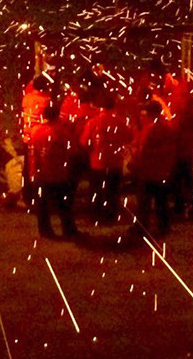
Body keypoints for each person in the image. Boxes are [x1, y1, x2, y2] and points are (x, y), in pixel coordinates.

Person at [80, 92, 132, 223]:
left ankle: (96, 216)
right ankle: (112, 216)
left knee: (97, 190)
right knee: (113, 191)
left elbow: (84, 142)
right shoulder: (119, 121)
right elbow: (129, 137)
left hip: (98, 163)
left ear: (99, 107)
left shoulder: (93, 122)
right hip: (115, 162)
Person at [29, 103, 78, 239]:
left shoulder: (35, 130)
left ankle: (45, 231)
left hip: (40, 174)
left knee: (42, 205)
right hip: (57, 173)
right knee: (64, 205)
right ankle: (69, 230)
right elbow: (72, 150)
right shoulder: (61, 131)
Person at [130, 100, 177, 237]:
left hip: (149, 172)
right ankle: (164, 227)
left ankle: (141, 228)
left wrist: (134, 154)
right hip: (163, 171)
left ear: (151, 113)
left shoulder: (150, 130)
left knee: (144, 203)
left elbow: (142, 152)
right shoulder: (168, 127)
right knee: (162, 201)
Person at [169, 80, 193, 220]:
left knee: (184, 179)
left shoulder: (186, 112)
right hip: (191, 148)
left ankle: (191, 208)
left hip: (182, 150)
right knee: (185, 178)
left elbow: (177, 130)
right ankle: (184, 206)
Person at [21, 75, 52, 206]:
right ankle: (38, 198)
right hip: (39, 137)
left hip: (27, 136)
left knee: (27, 168)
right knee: (40, 169)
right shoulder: (46, 100)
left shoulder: (27, 98)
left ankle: (27, 196)